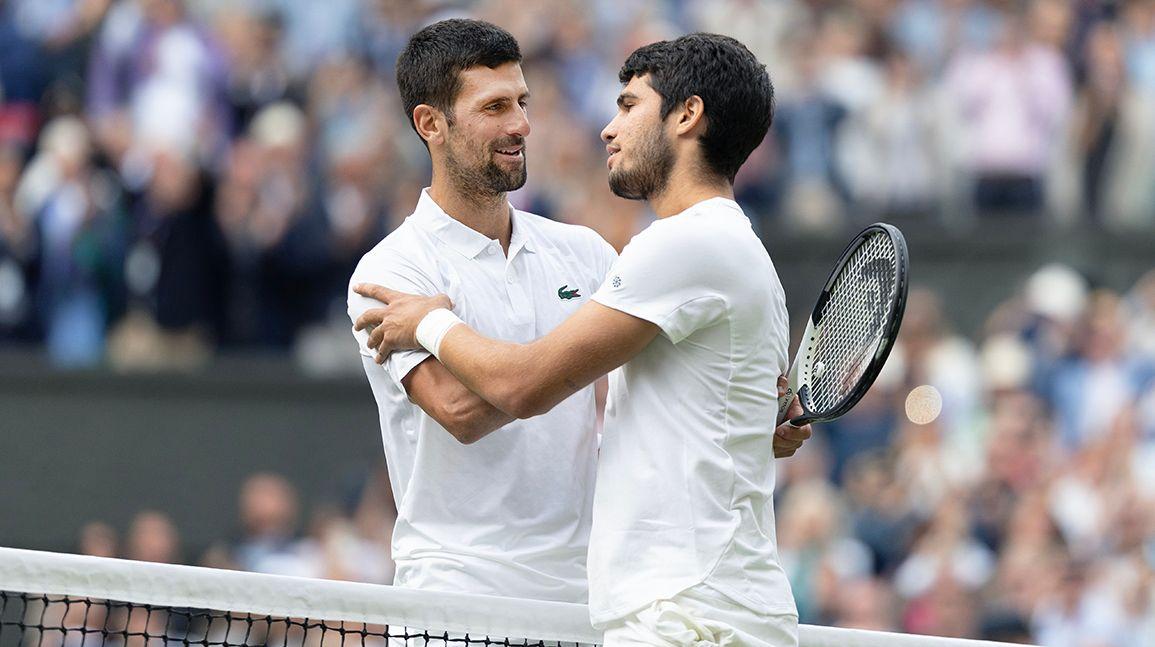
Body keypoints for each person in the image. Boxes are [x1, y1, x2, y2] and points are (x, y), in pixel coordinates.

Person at [355, 33, 800, 646]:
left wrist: (436, 326)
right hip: (459, 596)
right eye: (494, 108)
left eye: (522, 102)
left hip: (610, 604)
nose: (522, 124)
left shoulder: (593, 252)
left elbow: (531, 383)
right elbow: (461, 410)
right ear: (430, 124)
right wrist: (736, 414)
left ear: (687, 116)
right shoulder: (390, 274)